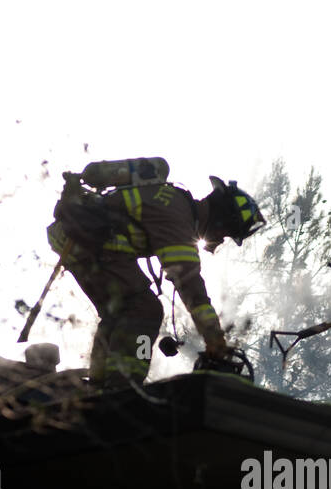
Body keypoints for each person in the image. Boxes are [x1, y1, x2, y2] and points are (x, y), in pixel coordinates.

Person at [46, 160, 264, 386]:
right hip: (91, 243)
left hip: (76, 238)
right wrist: (214, 338)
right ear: (221, 219)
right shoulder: (177, 219)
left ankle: (100, 381)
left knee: (118, 313)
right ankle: (124, 385)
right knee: (145, 310)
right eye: (225, 233)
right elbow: (189, 284)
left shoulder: (172, 202)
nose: (219, 241)